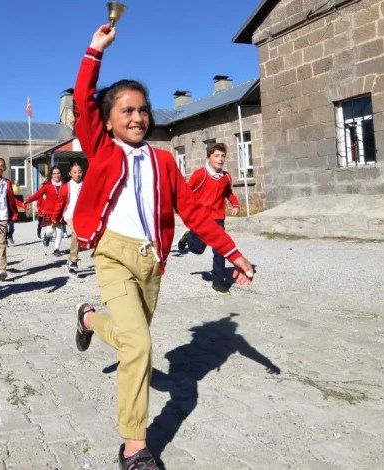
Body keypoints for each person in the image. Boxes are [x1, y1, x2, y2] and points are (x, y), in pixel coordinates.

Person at [71, 24, 255, 469]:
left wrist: (233, 253)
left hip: (152, 260)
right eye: (126, 111)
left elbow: (193, 213)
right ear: (109, 119)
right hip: (112, 254)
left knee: (136, 340)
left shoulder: (165, 160)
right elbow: (82, 100)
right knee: (138, 346)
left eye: (142, 111)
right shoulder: (101, 148)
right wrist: (95, 52)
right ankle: (134, 446)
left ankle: (90, 318)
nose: (137, 118)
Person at [176, 143, 240, 294]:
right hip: (200, 218)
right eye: (216, 156)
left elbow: (228, 193)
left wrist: (235, 204)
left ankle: (218, 283)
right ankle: (189, 235)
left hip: (218, 218)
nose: (220, 159)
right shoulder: (200, 174)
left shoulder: (226, 177)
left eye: (223, 156)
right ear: (208, 158)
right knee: (197, 249)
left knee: (220, 250)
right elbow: (186, 192)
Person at [52, 161, 84, 274]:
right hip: (70, 214)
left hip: (82, 214)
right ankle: (74, 260)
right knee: (76, 234)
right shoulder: (67, 187)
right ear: (70, 173)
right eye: (75, 172)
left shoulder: (86, 184)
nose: (78, 174)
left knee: (79, 237)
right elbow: (60, 203)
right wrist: (54, 218)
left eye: (79, 172)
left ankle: (70, 261)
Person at [25, 166, 65, 256]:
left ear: (61, 174)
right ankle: (47, 237)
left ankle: (56, 249)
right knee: (50, 230)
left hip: (60, 213)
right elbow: (37, 195)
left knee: (59, 231)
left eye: (58, 173)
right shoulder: (47, 186)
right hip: (49, 212)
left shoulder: (65, 185)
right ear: (51, 175)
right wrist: (28, 200)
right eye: (54, 173)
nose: (56, 175)